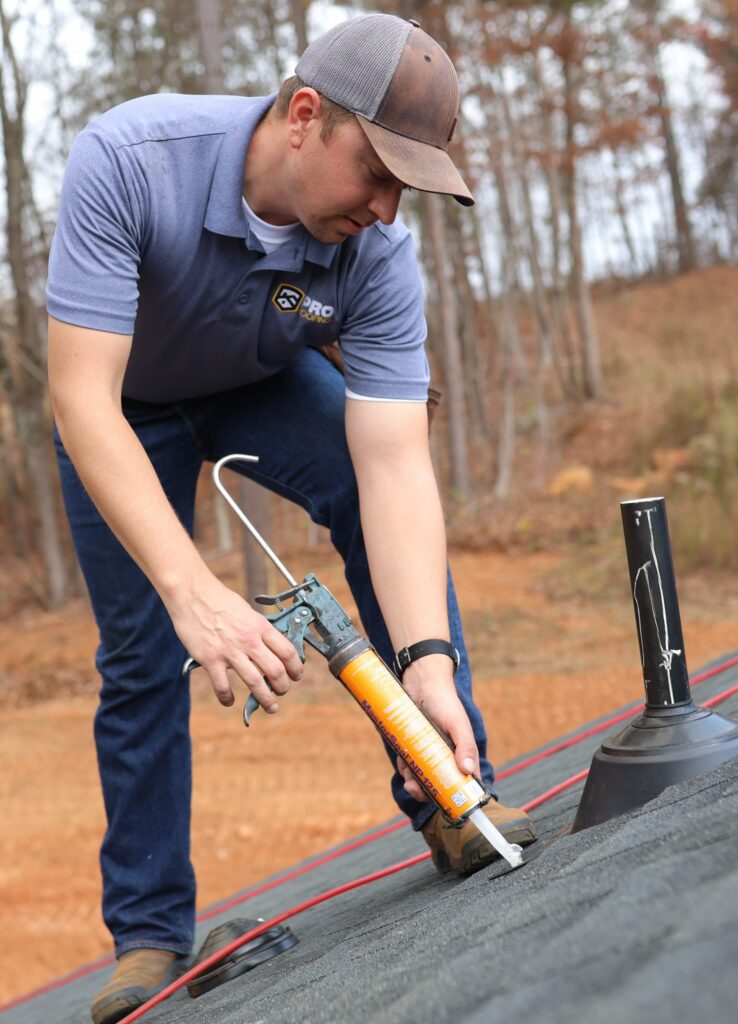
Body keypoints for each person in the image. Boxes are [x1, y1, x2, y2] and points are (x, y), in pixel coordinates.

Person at [45, 13, 537, 1024]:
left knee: (365, 496)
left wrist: (428, 660)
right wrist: (192, 592)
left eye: (409, 185)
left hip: (256, 385)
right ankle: (147, 931)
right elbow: (81, 399)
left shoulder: (378, 255)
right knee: (142, 653)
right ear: (305, 117)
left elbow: (395, 465)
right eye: (377, 173)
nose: (389, 209)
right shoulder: (133, 161)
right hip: (121, 408)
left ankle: (447, 786)